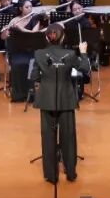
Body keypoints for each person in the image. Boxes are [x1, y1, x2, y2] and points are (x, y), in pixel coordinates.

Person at [32, 23, 91, 184]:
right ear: (63, 37)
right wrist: (83, 52)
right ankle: (70, 172)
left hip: (46, 99)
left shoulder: (39, 54)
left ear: (47, 38)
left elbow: (34, 76)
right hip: (66, 99)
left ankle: (51, 175)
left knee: (48, 138)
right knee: (68, 137)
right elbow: (85, 68)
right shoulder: (70, 54)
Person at [4, 0, 48, 103]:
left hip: (31, 50)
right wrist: (6, 31)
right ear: (21, 8)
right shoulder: (14, 20)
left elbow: (33, 34)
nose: (29, 9)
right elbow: (4, 37)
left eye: (31, 7)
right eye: (27, 7)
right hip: (17, 51)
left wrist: (21, 28)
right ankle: (18, 95)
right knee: (17, 64)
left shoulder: (35, 19)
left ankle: (31, 94)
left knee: (32, 64)